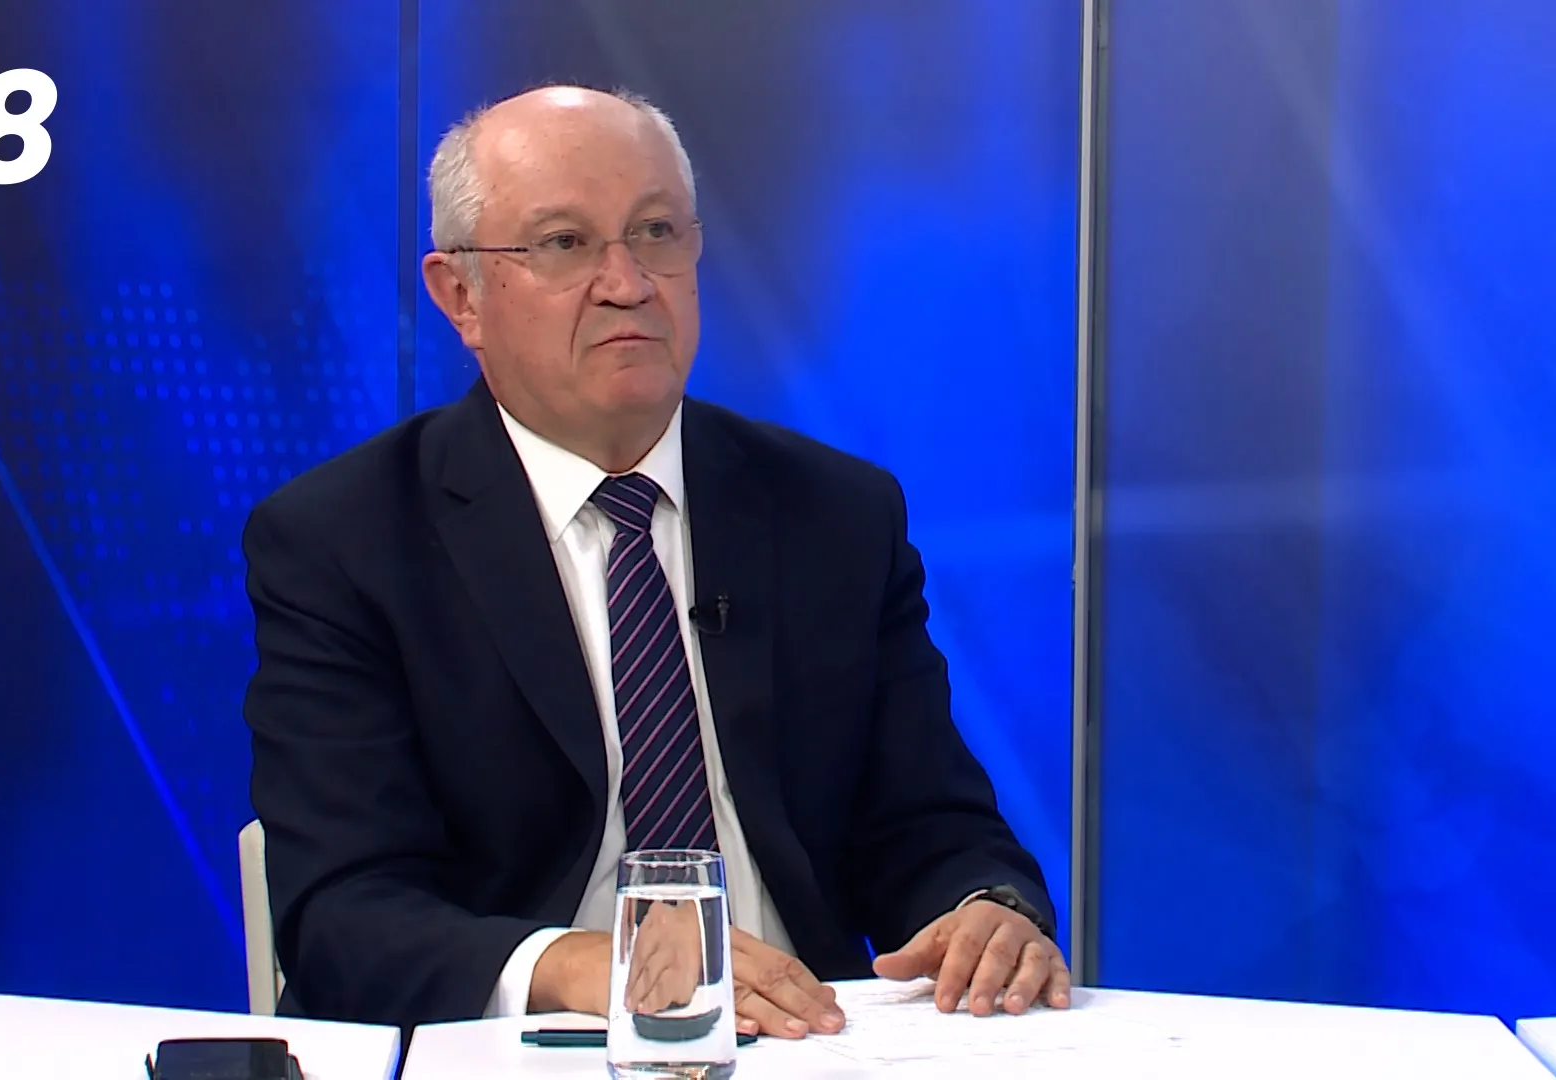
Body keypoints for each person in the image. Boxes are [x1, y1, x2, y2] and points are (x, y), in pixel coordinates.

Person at [242, 84, 1069, 1036]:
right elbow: (342, 915)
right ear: (460, 295)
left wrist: (985, 908)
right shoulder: (345, 542)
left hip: (806, 1041)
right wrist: (591, 965)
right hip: (529, 1049)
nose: (627, 282)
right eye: (564, 243)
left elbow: (929, 824)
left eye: (658, 233)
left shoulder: (834, 514)